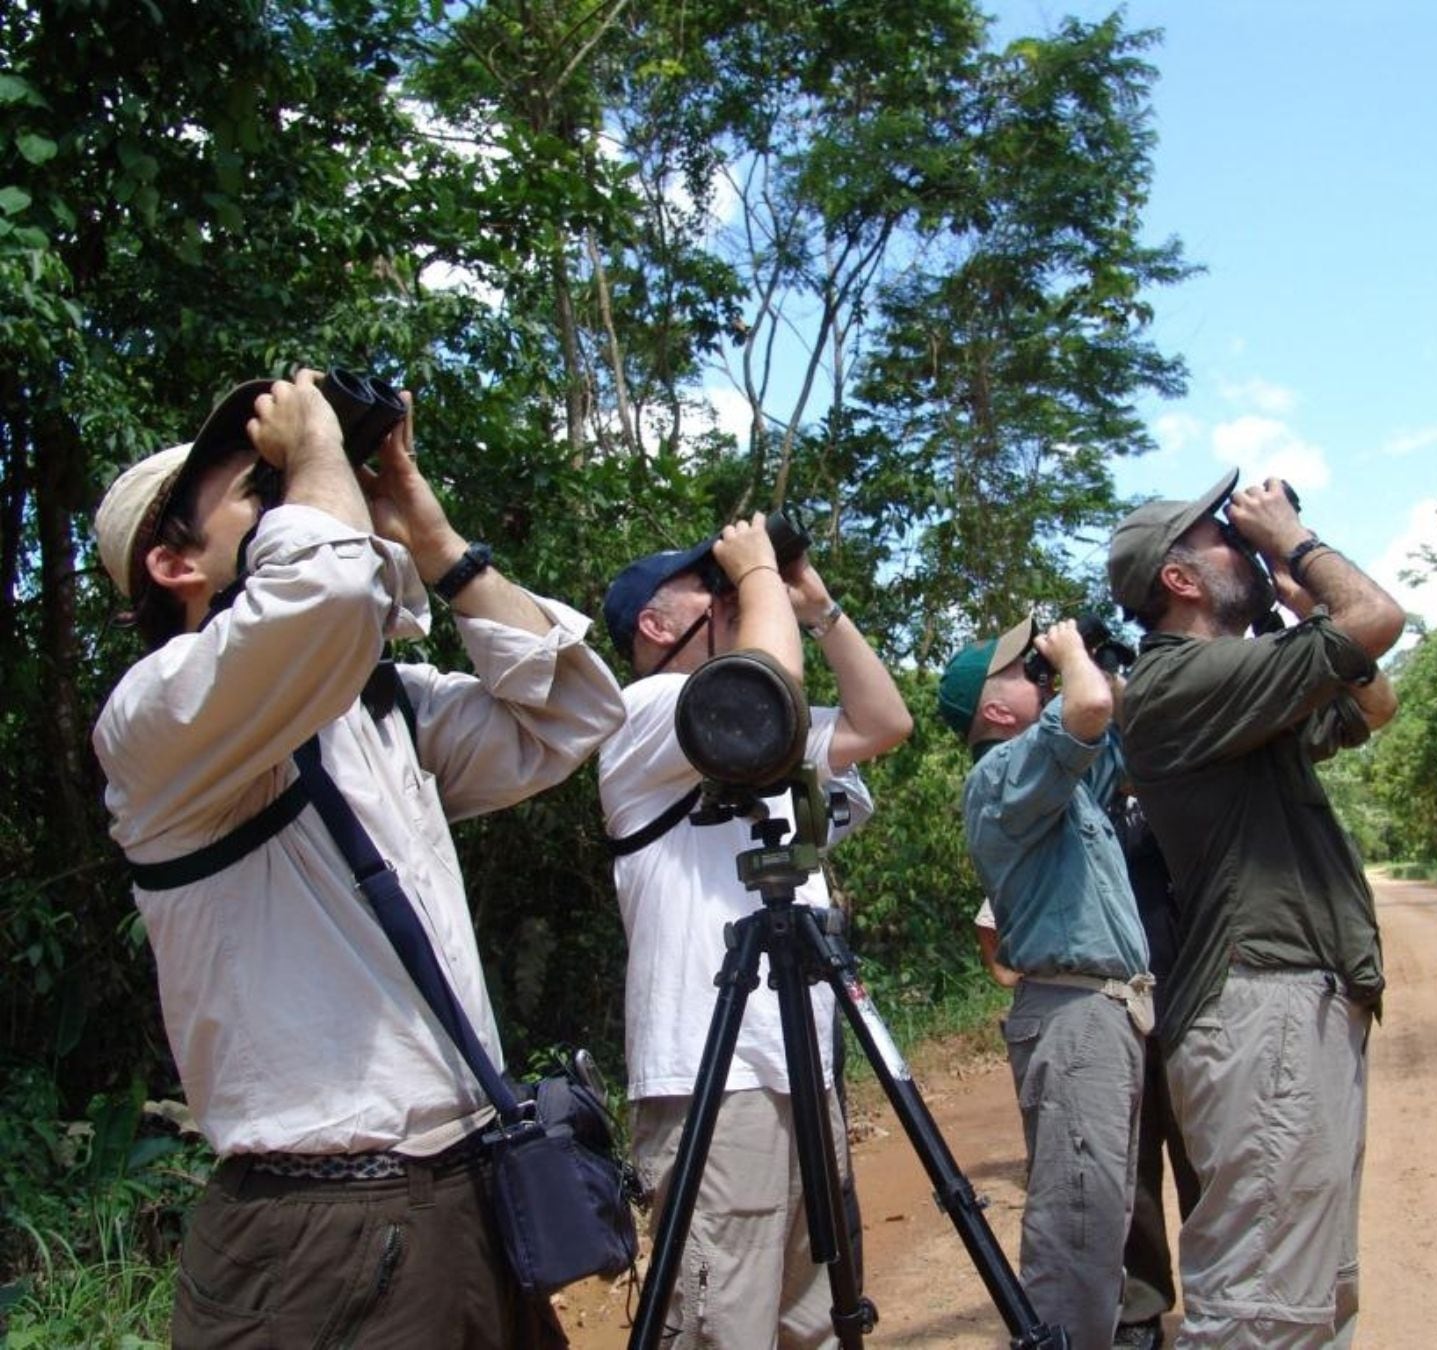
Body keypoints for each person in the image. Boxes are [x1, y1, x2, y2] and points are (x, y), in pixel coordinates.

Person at [91, 369, 627, 1347]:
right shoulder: (154, 723)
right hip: (319, 1236)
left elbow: (569, 715)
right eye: (267, 488)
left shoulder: (379, 702)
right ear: (175, 563)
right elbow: (330, 592)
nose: (303, 493)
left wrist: (427, 533)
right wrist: (320, 461)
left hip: (471, 1199)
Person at [1106, 472, 1404, 1349]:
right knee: (1261, 1310)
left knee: (1312, 1293)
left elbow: (1374, 701)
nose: (1244, 544)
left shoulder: (1237, 689)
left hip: (1293, 1002)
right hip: (1261, 1005)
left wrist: (1302, 595)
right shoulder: (1173, 683)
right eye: (1223, 537)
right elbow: (1378, 617)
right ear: (1181, 578)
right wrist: (1293, 542)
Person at [596, 519, 911, 1347]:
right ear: (659, 627)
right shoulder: (647, 714)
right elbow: (766, 684)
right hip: (712, 1075)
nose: (735, 594)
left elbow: (884, 723)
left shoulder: (757, 729)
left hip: (798, 1059)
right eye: (714, 587)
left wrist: (819, 607)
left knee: (810, 1317)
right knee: (721, 1326)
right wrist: (762, 568)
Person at [940, 616, 1153, 1350]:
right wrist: (1068, 657)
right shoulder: (1001, 773)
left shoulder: (1057, 783)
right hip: (1073, 1017)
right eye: (1023, 673)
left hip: (1101, 1017)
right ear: (996, 712)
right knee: (1076, 1234)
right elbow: (1088, 708)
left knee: (1100, 1227)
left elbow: (1108, 712)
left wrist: (1086, 656)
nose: (1039, 675)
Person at [1109, 790, 1200, 1350]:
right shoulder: (1084, 791)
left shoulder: (1182, 768)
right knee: (1131, 1164)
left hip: (1195, 993)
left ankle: (1218, 1295)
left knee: (1206, 1160)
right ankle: (1140, 1305)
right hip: (1116, 1001)